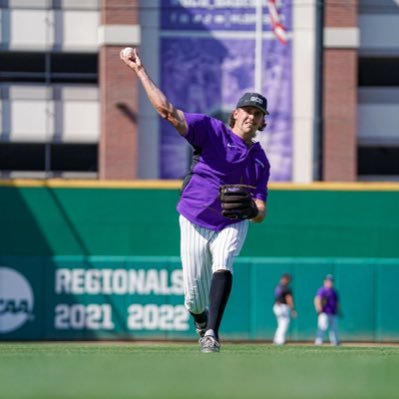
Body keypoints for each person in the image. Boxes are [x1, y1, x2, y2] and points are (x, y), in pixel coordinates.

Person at [120, 47, 270, 353]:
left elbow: (261, 211)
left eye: (258, 114)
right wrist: (139, 71)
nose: (252, 117)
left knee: (224, 262)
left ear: (261, 123)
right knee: (192, 294)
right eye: (248, 111)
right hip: (194, 216)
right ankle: (201, 321)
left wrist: (251, 209)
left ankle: (212, 333)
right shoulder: (211, 130)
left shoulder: (260, 161)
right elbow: (167, 111)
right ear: (236, 114)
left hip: (231, 221)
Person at [314, 274, 340, 346]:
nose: (330, 282)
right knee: (322, 327)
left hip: (333, 312)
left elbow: (337, 302)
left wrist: (338, 310)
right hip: (324, 312)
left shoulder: (334, 291)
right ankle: (318, 342)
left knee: (334, 328)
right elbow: (317, 299)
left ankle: (335, 342)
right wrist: (318, 309)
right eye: (328, 280)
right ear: (325, 281)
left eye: (331, 281)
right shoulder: (322, 290)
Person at [273, 273, 297, 345]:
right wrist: (293, 309)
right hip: (282, 307)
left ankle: (277, 339)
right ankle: (280, 340)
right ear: (285, 279)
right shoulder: (286, 288)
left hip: (276, 306)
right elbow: (288, 298)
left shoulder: (278, 286)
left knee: (281, 324)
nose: (289, 281)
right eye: (288, 279)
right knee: (284, 323)